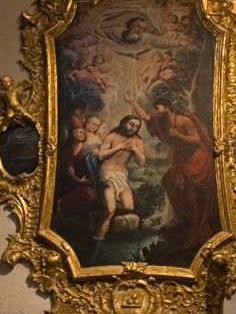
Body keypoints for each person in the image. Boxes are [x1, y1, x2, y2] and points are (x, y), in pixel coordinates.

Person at [125, 94, 217, 249]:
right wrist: (133, 102)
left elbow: (196, 140)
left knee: (190, 194)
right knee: (167, 181)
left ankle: (193, 231)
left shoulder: (183, 120)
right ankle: (181, 215)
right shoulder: (160, 121)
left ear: (166, 107)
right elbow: (144, 116)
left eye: (157, 108)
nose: (155, 111)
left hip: (195, 158)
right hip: (181, 159)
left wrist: (178, 134)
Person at [93, 115, 145, 240]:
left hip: (122, 175)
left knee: (129, 207)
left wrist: (135, 150)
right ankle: (98, 240)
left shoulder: (137, 141)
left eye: (137, 126)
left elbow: (141, 162)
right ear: (123, 124)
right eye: (131, 124)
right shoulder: (112, 136)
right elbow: (101, 156)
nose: (133, 128)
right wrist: (119, 147)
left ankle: (100, 211)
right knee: (110, 210)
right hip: (107, 173)